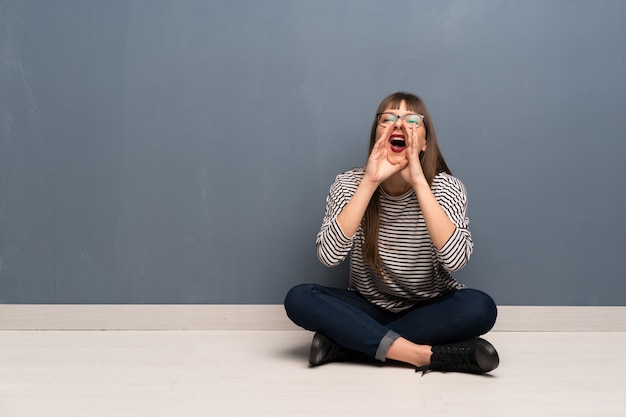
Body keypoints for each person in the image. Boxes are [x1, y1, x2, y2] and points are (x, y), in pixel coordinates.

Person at [284, 92, 499, 375]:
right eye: (388, 119)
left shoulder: (446, 188)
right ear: (377, 135)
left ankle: (347, 342)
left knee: (481, 308)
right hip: (367, 305)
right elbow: (328, 256)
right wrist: (370, 181)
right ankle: (420, 355)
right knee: (299, 298)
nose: (399, 125)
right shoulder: (349, 183)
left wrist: (420, 183)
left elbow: (456, 261)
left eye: (412, 120)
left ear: (424, 143)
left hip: (429, 307)